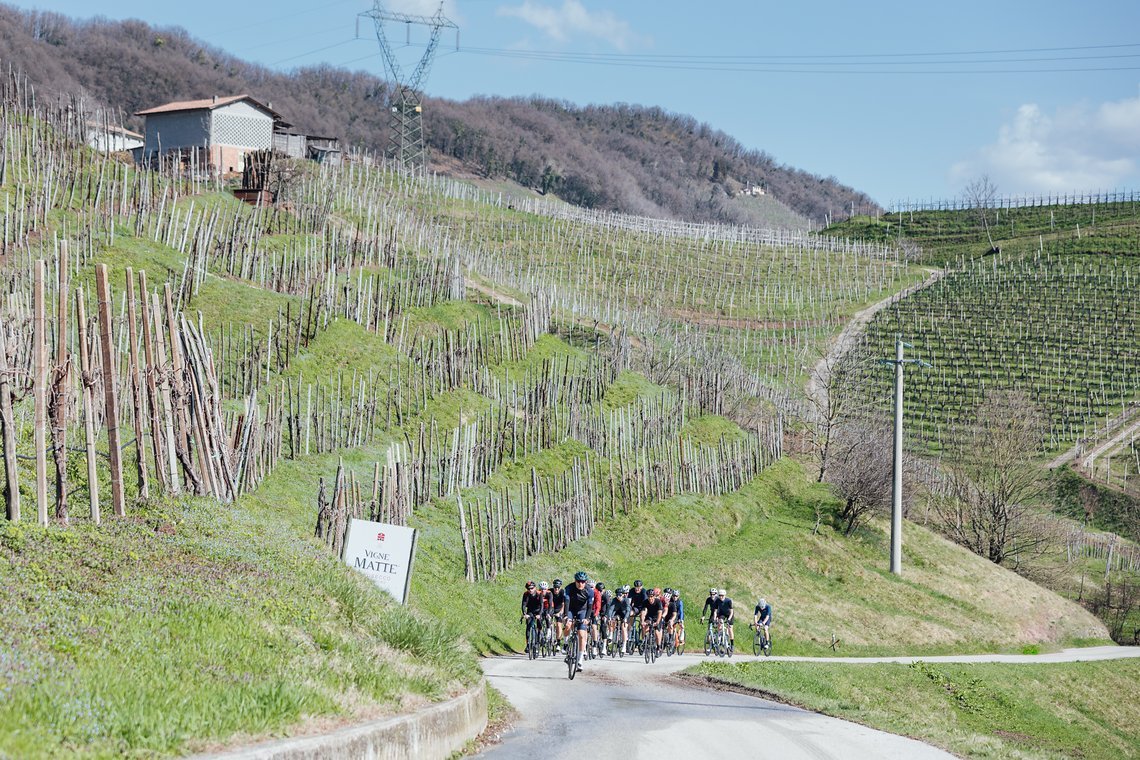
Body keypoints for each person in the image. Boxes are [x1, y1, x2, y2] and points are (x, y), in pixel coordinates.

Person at [564, 571, 593, 672]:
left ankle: (580, 660)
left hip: (582, 610)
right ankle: (566, 643)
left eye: (583, 582)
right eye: (578, 581)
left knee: (581, 634)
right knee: (568, 625)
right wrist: (566, 616)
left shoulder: (589, 590)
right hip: (571, 609)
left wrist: (587, 618)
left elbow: (590, 606)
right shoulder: (569, 588)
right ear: (575, 581)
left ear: (585, 582)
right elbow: (566, 603)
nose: (580, 584)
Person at [640, 587, 666, 652]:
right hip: (649, 617)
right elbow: (643, 612)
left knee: (657, 632)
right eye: (648, 596)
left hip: (657, 617)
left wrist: (657, 622)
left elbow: (660, 612)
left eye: (651, 596)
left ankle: (658, 646)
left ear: (654, 596)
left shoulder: (658, 602)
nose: (650, 598)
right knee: (644, 627)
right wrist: (642, 621)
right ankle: (644, 641)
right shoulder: (645, 602)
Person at [520, 581, 544, 649]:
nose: (530, 590)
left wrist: (539, 614)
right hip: (530, 610)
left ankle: (540, 635)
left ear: (535, 588)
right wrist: (525, 614)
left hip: (538, 610)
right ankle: (528, 644)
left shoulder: (539, 594)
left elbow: (542, 605)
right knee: (528, 625)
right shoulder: (526, 594)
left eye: (532, 588)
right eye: (528, 589)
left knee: (539, 621)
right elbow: (523, 605)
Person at [612, 585, 632, 650]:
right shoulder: (614, 600)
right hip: (618, 613)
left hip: (625, 614)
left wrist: (625, 618)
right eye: (617, 595)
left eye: (620, 595)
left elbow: (628, 610)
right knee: (613, 620)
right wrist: (610, 617)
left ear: (622, 595)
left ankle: (624, 644)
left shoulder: (626, 600)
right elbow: (611, 609)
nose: (618, 597)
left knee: (624, 628)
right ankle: (613, 635)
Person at [550, 579, 567, 651]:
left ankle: (558, 643)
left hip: (559, 609)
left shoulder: (563, 592)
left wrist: (560, 613)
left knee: (558, 625)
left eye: (558, 588)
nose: (556, 589)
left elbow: (564, 604)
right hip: (551, 609)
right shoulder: (550, 591)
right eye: (555, 587)